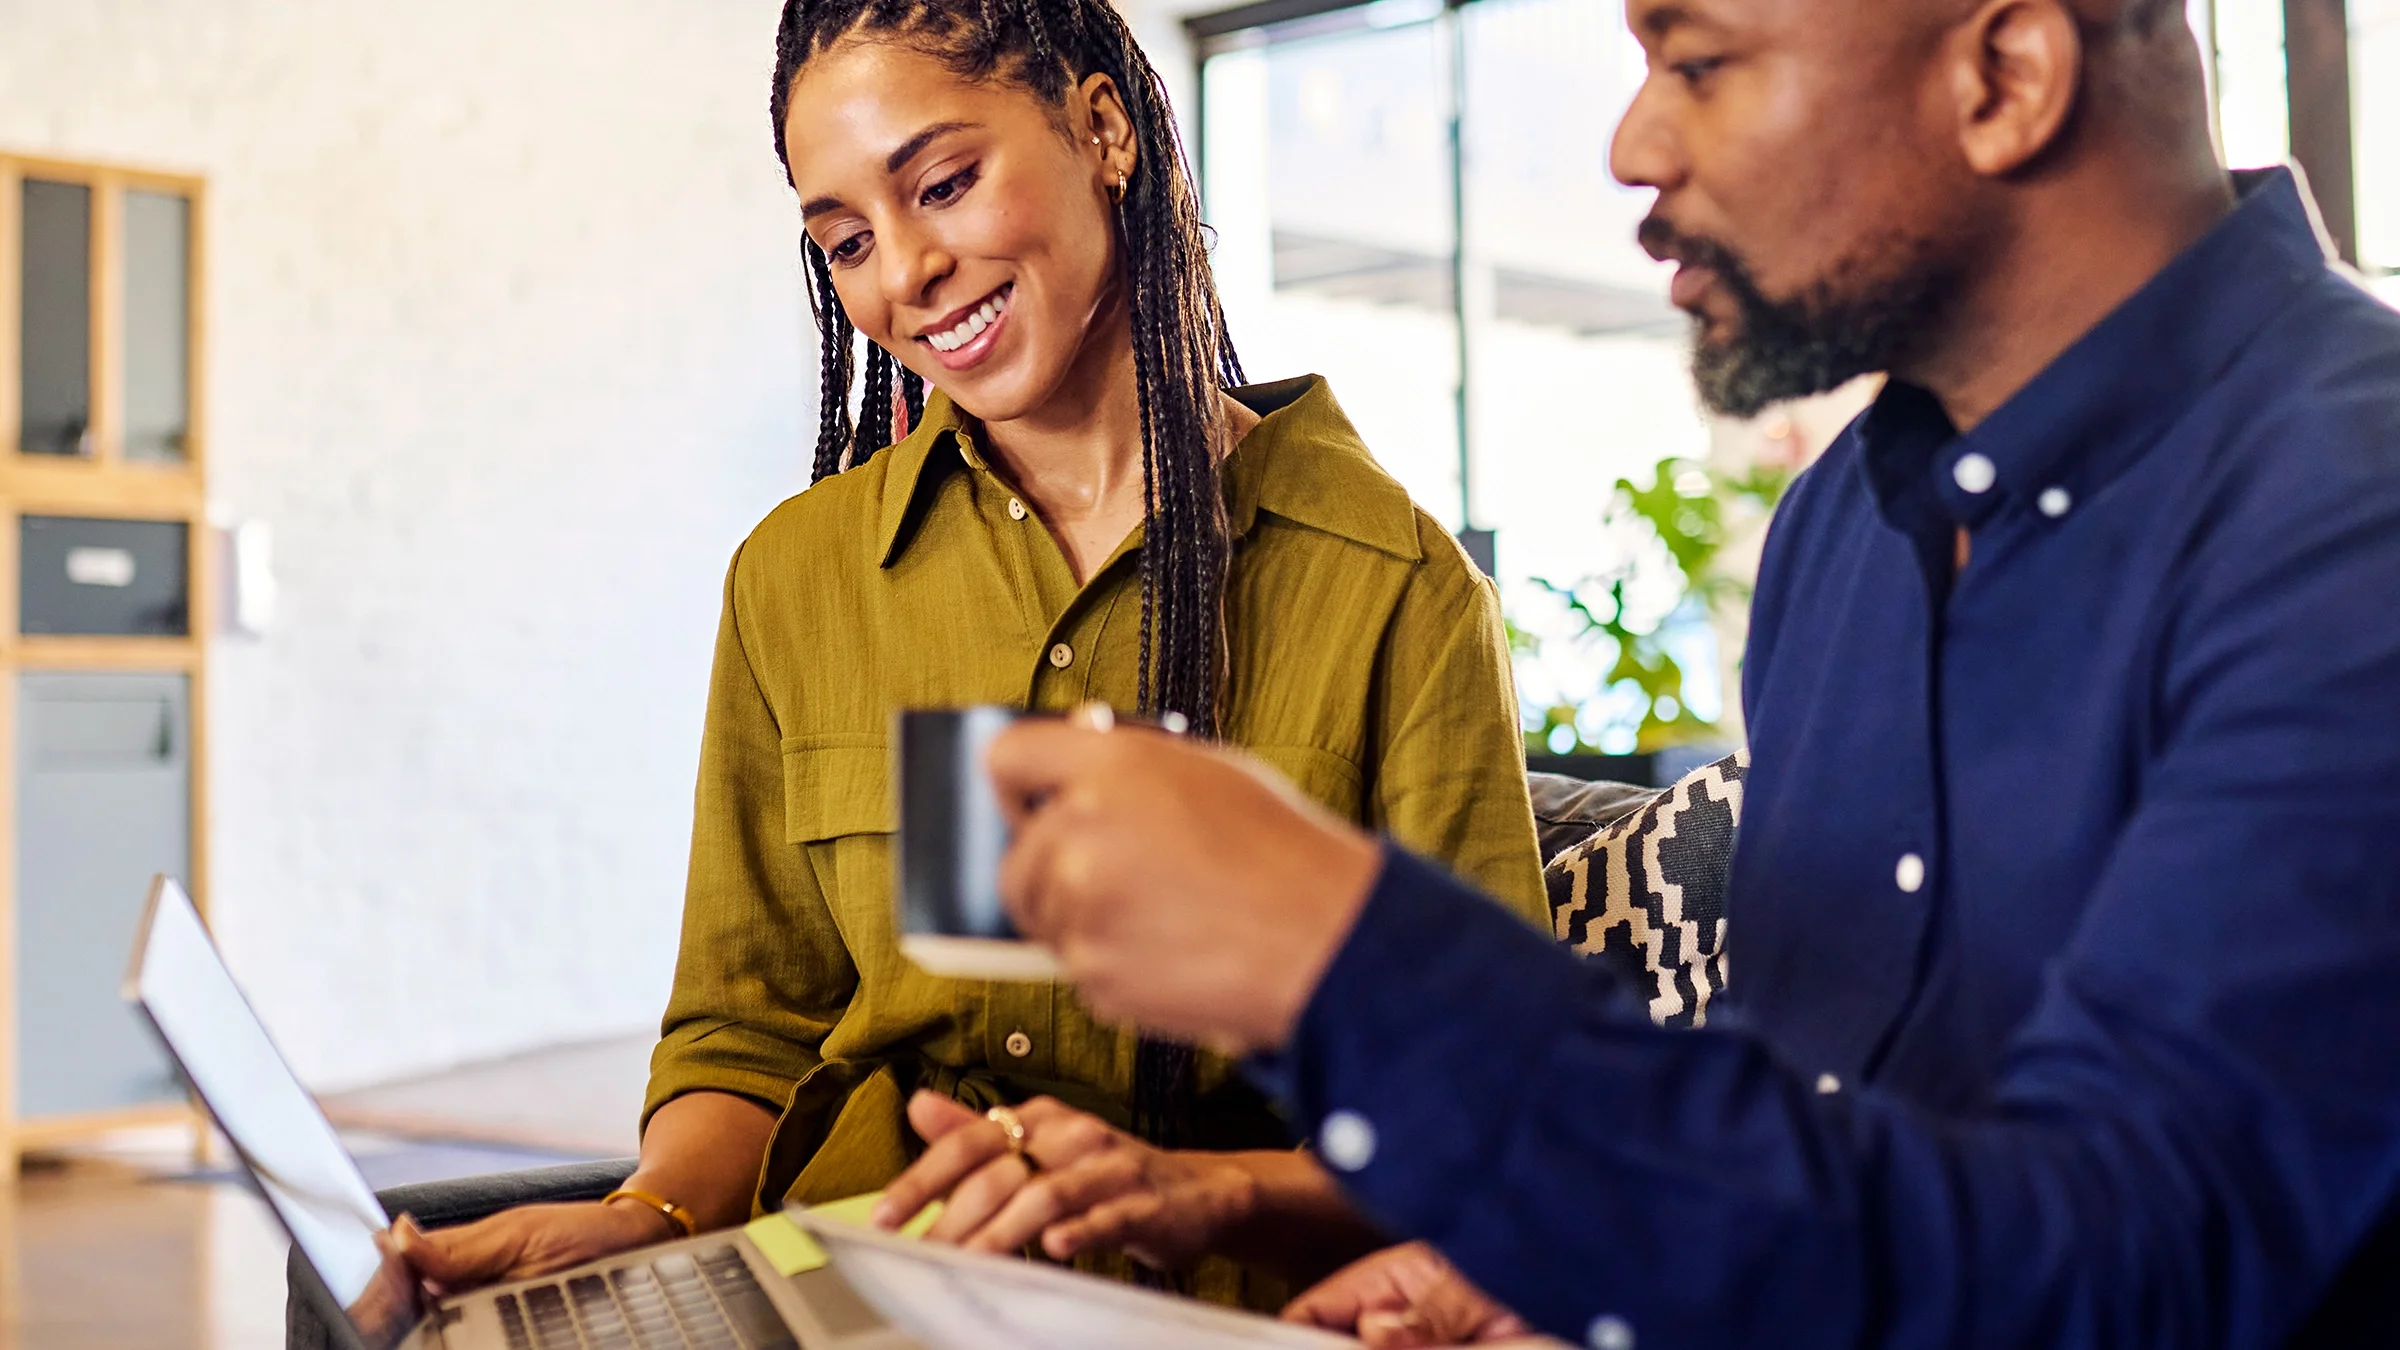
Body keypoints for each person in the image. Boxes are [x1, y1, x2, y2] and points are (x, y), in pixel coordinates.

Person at [932, 0, 2400, 1344]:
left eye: (1695, 63)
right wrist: (1547, 1263)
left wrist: (1340, 945)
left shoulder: (2353, 517)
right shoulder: (1848, 528)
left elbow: (2138, 1269)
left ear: (2005, 80)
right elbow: (1823, 1162)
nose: (1632, 143)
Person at [387, 0, 1547, 1309]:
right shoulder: (799, 578)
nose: (905, 273)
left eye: (943, 184)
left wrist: (1199, 1190)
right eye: (845, 240)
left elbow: (1487, 1108)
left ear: (1102, 128)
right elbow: (749, 1027)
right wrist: (641, 1214)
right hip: (846, 1287)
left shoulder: (1391, 584)